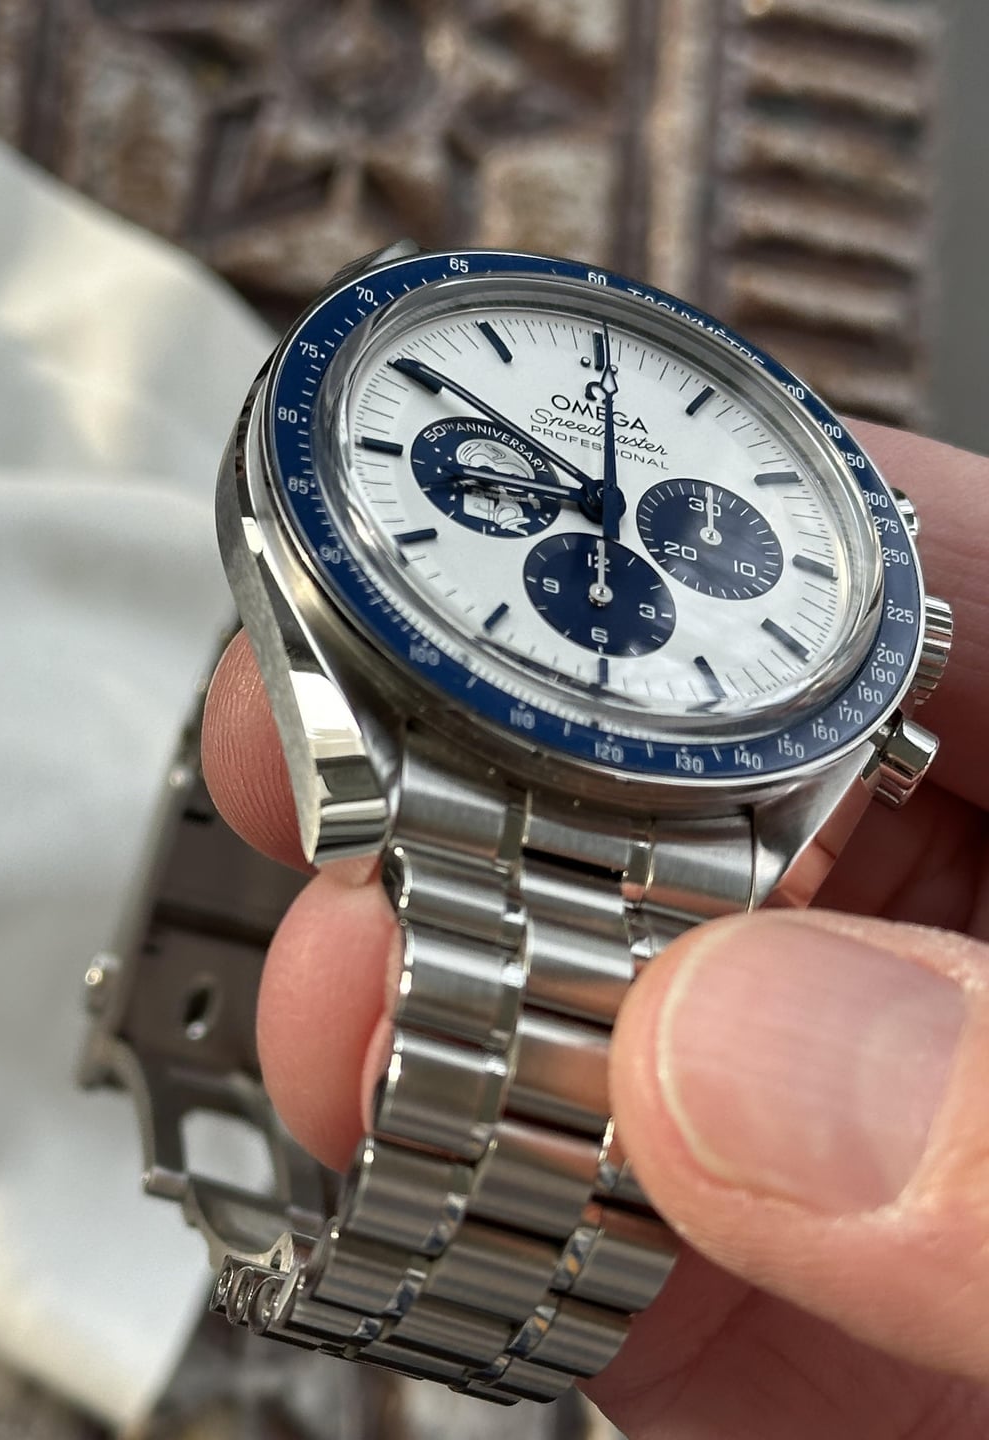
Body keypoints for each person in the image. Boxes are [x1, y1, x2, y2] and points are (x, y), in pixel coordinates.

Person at [202, 422, 989, 1438]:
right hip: (468, 744)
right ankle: (452, 1299)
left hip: (714, 798)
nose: (609, 508)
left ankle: (483, 1306)